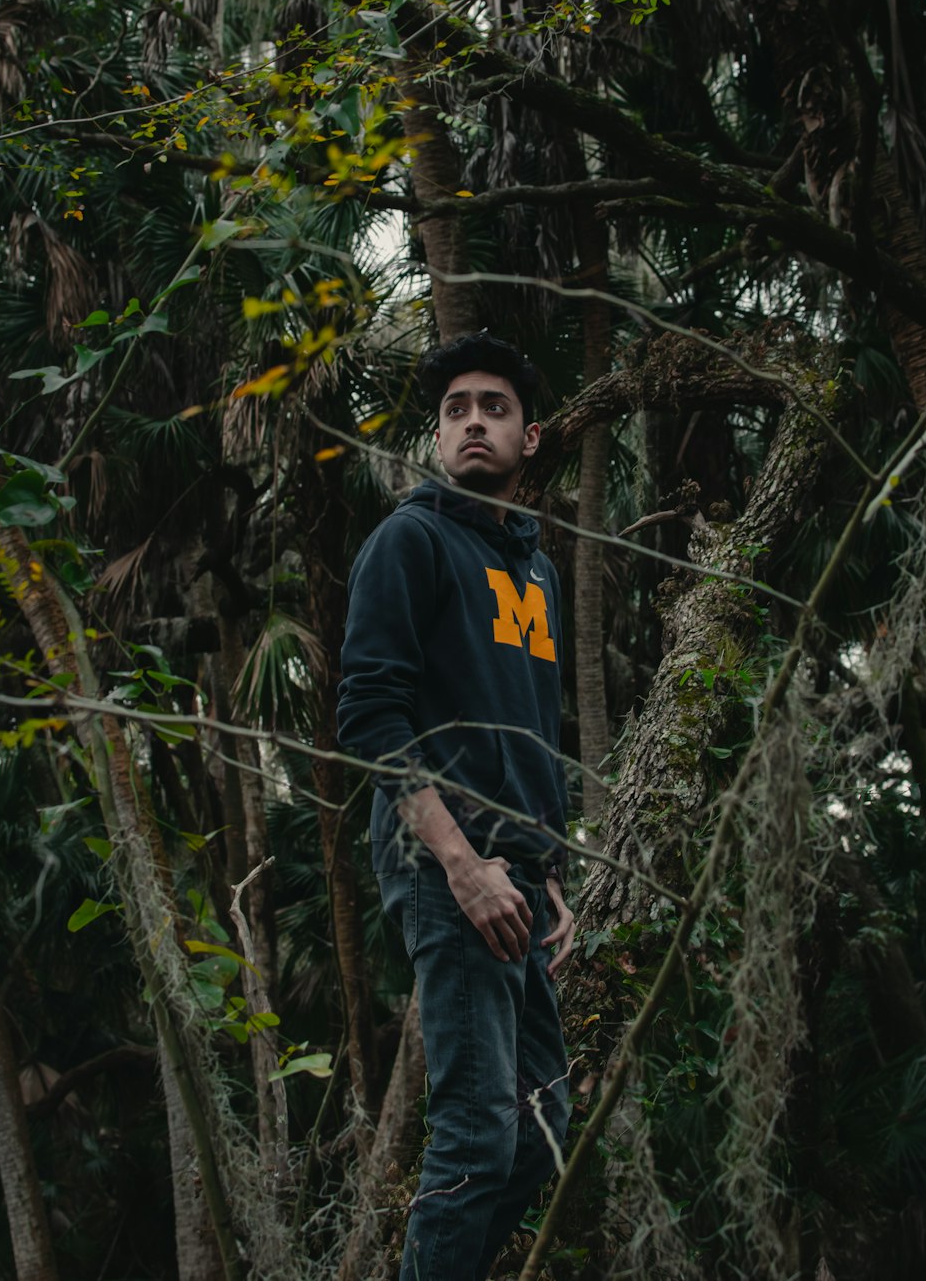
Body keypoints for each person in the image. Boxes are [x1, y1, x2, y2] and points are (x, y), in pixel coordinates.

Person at [337, 331, 574, 1281]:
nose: (474, 420)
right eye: (455, 410)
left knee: (543, 1127)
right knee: (478, 1134)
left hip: (516, 869)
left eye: (495, 406)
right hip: (444, 861)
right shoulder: (413, 538)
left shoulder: (535, 569)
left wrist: (546, 870)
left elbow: (529, 728)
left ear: (532, 436)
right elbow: (369, 714)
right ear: (438, 436)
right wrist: (462, 863)